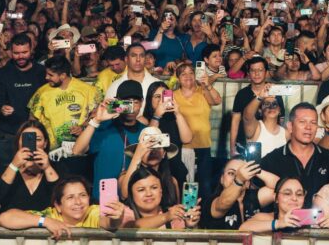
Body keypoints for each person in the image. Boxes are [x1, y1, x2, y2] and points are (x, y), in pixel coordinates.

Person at [72, 80, 146, 199]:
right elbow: (77, 151)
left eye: (135, 102)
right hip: (102, 199)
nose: (131, 107)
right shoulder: (102, 128)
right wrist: (97, 120)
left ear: (142, 103)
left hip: (133, 201)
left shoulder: (145, 131)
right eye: (126, 103)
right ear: (117, 102)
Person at [259, 103, 329, 208]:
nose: (308, 127)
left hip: (320, 222)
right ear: (290, 126)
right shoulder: (272, 160)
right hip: (284, 222)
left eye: (313, 123)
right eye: (302, 122)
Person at [0, 175, 126, 238]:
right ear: (58, 206)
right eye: (70, 197)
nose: (78, 202)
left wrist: (115, 217)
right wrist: (46, 221)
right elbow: (5, 217)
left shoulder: (93, 211)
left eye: (82, 195)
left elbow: (109, 223)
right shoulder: (51, 215)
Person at [0, 34, 46, 167]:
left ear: (31, 50)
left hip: (33, 132)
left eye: (24, 52)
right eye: (16, 53)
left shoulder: (42, 72)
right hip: (9, 133)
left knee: (32, 171)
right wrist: (1, 107)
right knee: (7, 171)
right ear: (10, 52)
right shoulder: (3, 74)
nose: (20, 56)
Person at [0, 120, 60, 214]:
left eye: (38, 139)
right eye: (26, 139)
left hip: (49, 226)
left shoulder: (57, 169)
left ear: (45, 143)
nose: (33, 144)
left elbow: (63, 198)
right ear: (18, 143)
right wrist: (14, 166)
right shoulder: (4, 170)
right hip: (11, 226)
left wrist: (48, 168)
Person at [27, 55, 101, 150]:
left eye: (50, 75)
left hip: (82, 149)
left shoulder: (88, 90)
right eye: (46, 74)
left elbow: (97, 113)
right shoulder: (41, 92)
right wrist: (30, 148)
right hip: (51, 150)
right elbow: (32, 120)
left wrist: (82, 127)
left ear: (63, 75)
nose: (46, 77)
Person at [173, 63, 221, 197]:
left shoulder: (203, 91)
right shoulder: (173, 95)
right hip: (183, 147)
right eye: (183, 74)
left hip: (203, 145)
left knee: (205, 186)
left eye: (191, 73)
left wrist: (207, 85)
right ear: (178, 78)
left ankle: (204, 215)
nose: (188, 76)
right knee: (187, 186)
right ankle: (187, 215)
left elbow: (217, 101)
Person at [201, 158, 278, 230]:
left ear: (248, 183)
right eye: (231, 173)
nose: (236, 176)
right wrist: (239, 179)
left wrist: (254, 170)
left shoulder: (253, 197)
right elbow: (224, 202)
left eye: (242, 173)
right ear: (222, 179)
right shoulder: (213, 201)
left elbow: (280, 188)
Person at [230, 57, 285, 156]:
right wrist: (232, 148)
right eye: (253, 70)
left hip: (270, 144)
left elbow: (280, 120)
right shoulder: (242, 94)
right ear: (248, 73)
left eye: (260, 70)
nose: (256, 74)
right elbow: (235, 121)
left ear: (266, 72)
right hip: (246, 144)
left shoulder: (274, 92)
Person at [240, 176, 329, 232]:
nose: (294, 198)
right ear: (276, 198)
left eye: (299, 194)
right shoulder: (266, 218)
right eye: (287, 193)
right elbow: (243, 228)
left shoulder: (312, 222)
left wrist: (328, 230)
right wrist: (279, 223)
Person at [125, 166, 201, 229]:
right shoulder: (125, 213)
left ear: (161, 191)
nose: (148, 194)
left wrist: (189, 226)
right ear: (131, 194)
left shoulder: (174, 214)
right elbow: (134, 226)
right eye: (141, 190)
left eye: (154, 188)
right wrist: (166, 217)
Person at [119, 126, 181, 203]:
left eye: (158, 147)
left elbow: (176, 210)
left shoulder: (172, 181)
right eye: (148, 148)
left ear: (164, 153)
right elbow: (125, 195)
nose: (153, 151)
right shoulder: (124, 177)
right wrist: (137, 155)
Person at [104, 43, 160, 117]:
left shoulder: (158, 84)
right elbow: (108, 109)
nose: (138, 59)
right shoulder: (115, 85)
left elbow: (165, 110)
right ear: (126, 59)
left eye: (142, 56)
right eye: (133, 56)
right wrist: (137, 117)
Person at [242, 90, 287, 157]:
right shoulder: (256, 128)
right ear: (260, 110)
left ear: (280, 110)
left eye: (275, 104)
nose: (271, 107)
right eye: (267, 104)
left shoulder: (286, 134)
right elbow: (247, 117)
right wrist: (260, 96)